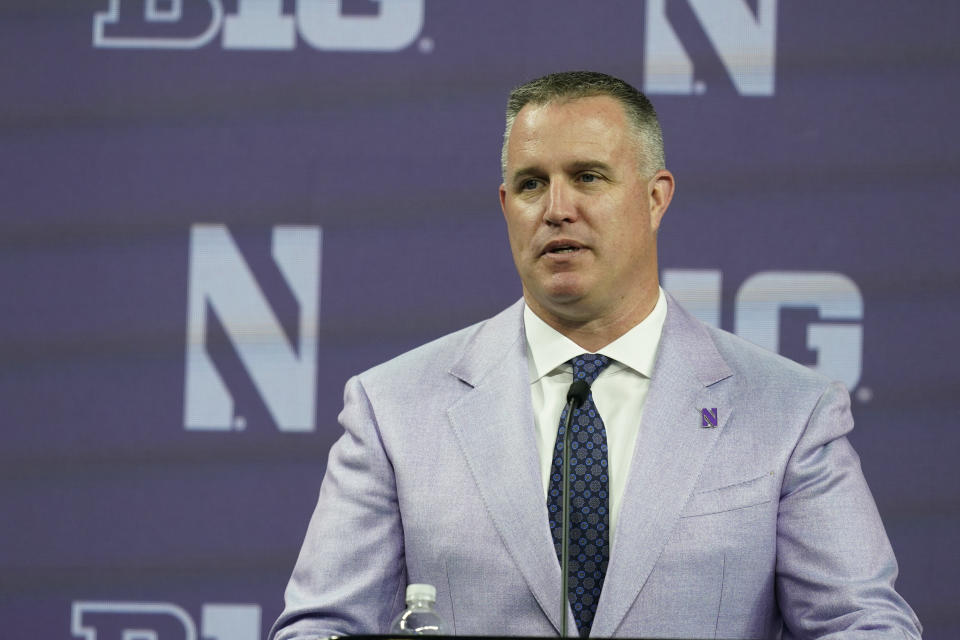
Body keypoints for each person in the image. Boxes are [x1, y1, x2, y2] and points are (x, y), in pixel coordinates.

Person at [269, 71, 921, 639]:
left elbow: (863, 624)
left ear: (655, 196)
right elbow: (320, 626)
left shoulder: (788, 411)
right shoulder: (394, 409)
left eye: (587, 177)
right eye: (530, 184)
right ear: (506, 207)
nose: (557, 209)